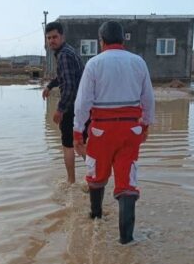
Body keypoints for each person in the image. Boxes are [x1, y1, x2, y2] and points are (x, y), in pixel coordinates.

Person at [73, 21, 155, 244]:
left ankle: (96, 217)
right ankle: (126, 241)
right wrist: (145, 125)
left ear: (101, 41)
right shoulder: (138, 62)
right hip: (130, 130)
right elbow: (148, 99)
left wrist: (78, 133)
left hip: (101, 132)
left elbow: (82, 104)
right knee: (127, 183)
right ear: (123, 40)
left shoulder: (94, 64)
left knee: (96, 176)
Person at [43, 21, 85, 184]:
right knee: (78, 142)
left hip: (72, 106)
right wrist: (50, 85)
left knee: (68, 144)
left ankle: (71, 182)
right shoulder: (68, 51)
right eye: (49, 38)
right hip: (81, 105)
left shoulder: (64, 55)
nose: (52, 41)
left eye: (55, 37)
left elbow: (69, 86)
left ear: (62, 37)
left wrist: (60, 110)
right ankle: (96, 174)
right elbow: (64, 77)